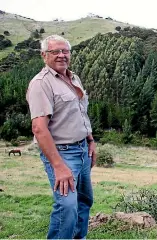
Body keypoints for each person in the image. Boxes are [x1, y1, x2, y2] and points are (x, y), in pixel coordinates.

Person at [26, 35, 96, 239]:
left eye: (65, 51)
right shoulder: (41, 84)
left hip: (82, 149)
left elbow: (80, 113)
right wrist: (58, 166)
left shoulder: (73, 78)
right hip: (62, 153)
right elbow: (39, 129)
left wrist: (90, 141)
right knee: (66, 206)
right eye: (55, 51)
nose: (61, 55)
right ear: (44, 55)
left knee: (84, 201)